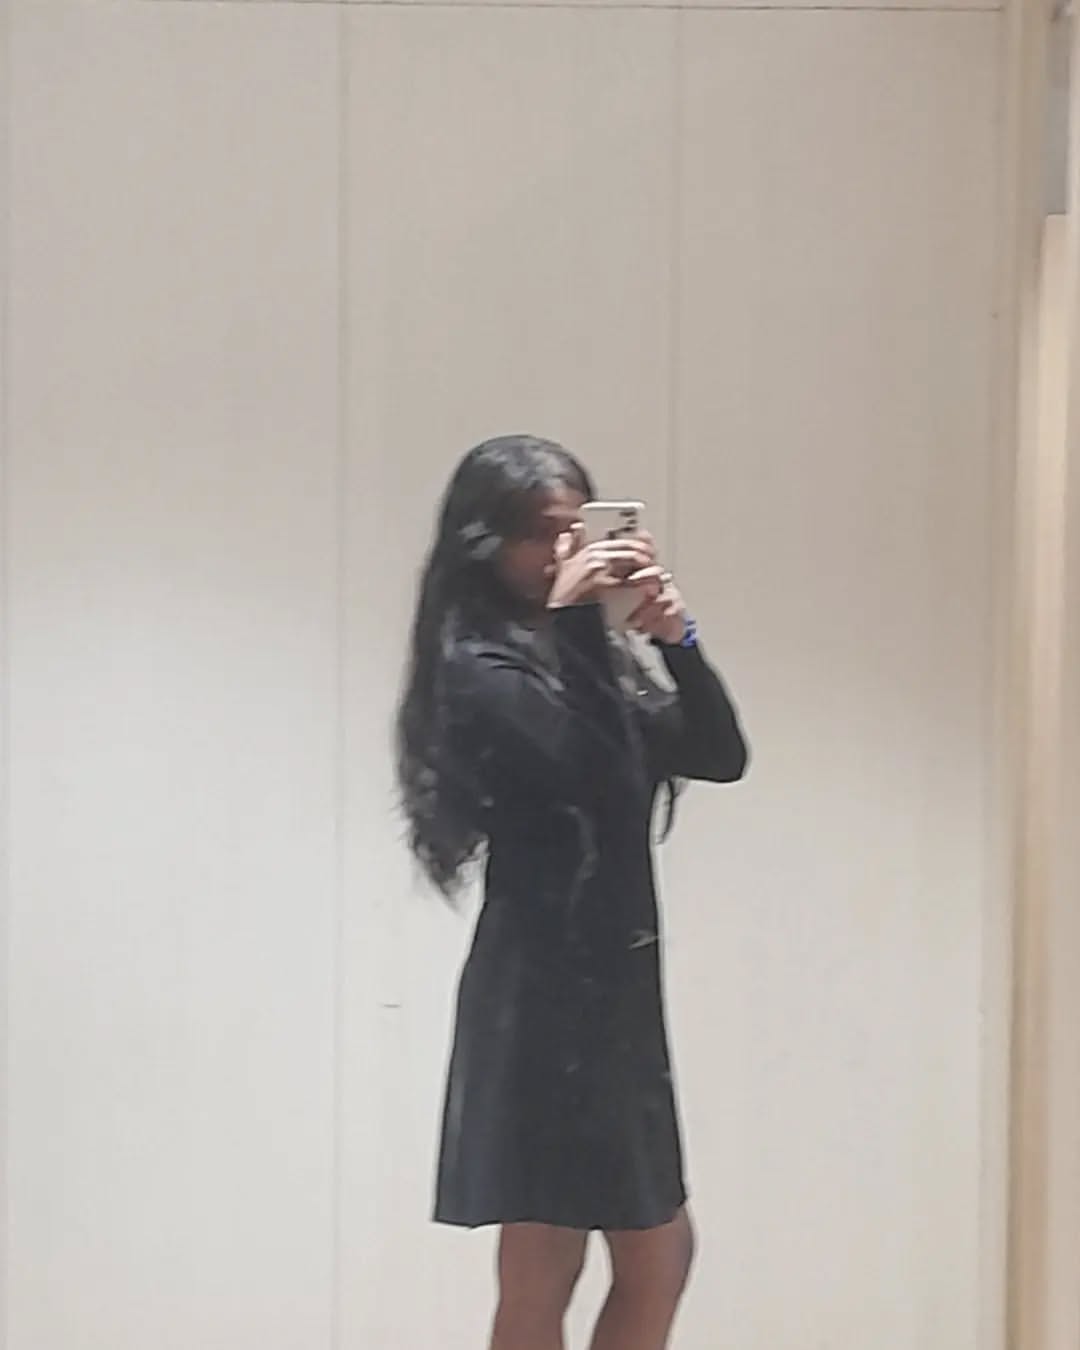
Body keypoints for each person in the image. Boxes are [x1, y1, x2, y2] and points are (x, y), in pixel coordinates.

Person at [396, 435, 749, 1350]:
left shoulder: (588, 658)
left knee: (650, 1254)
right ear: (488, 545)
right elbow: (588, 773)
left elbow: (719, 755)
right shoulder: (480, 667)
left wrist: (677, 640)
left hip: (615, 994)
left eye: (575, 529)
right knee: (548, 1263)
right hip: (542, 997)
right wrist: (584, 622)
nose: (564, 551)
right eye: (541, 534)